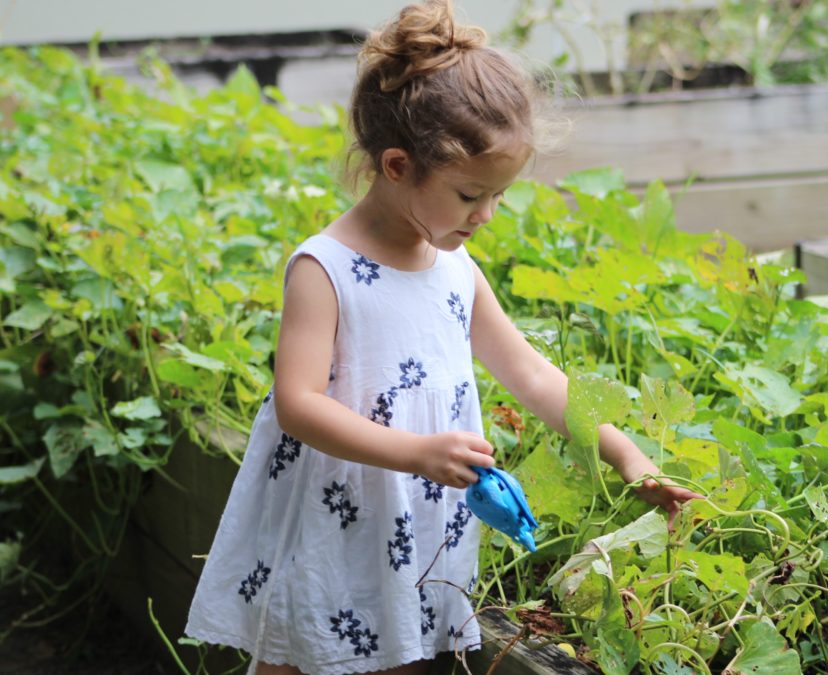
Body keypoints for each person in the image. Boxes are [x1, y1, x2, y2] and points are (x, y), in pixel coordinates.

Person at [184, 1, 701, 673]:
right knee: (301, 654)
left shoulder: (455, 269)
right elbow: (298, 403)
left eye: (498, 197)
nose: (485, 214)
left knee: (406, 651)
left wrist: (628, 455)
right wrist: (416, 452)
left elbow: (534, 376)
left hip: (415, 522)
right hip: (339, 514)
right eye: (468, 195)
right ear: (397, 165)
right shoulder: (327, 269)